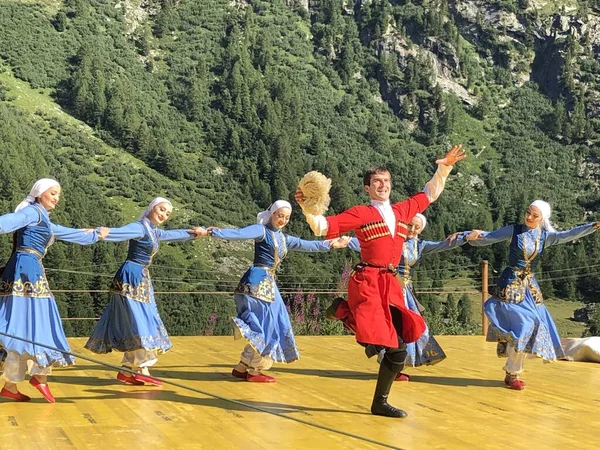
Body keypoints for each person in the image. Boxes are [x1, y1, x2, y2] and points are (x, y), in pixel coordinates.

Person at [295, 145, 466, 418]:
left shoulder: (403, 209)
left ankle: (379, 402)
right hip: (368, 281)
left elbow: (430, 193)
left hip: (391, 283)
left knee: (399, 350)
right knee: (390, 344)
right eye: (376, 182)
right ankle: (345, 313)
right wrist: (307, 206)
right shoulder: (361, 213)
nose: (382, 185)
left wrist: (444, 166)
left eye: (386, 181)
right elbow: (322, 228)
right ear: (367, 188)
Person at [198, 200, 347, 383]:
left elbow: (308, 245)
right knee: (269, 326)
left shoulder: (284, 238)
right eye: (279, 215)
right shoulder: (261, 231)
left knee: (272, 323)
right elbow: (239, 233)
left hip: (268, 284)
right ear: (272, 214)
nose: (282, 220)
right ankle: (254, 370)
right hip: (258, 281)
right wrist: (211, 232)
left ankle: (243, 366)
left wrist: (334, 244)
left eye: (286, 217)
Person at [466, 200, 600, 390]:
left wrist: (593, 225)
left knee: (535, 326)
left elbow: (569, 235)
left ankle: (512, 372)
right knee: (522, 327)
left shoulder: (545, 236)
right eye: (528, 212)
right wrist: (468, 236)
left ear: (542, 219)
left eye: (534, 215)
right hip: (510, 285)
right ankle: (513, 373)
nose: (529, 217)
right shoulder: (514, 230)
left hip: (530, 288)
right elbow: (489, 237)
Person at [0, 179, 108, 402]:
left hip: (28, 269)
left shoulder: (43, 218)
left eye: (58, 194)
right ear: (40, 193)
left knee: (23, 326)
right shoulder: (33, 213)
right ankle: (39, 378)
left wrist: (97, 234)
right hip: (26, 271)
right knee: (37, 322)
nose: (57, 198)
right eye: (53, 193)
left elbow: (67, 233)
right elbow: (8, 221)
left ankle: (13, 384)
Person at [84, 197, 203, 386]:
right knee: (141, 322)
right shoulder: (140, 227)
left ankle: (127, 370)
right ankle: (142, 368)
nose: (164, 214)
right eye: (161, 209)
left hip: (140, 278)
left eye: (167, 213)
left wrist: (194, 234)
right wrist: (100, 232)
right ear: (151, 208)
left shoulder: (154, 231)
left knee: (136, 322)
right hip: (131, 277)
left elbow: (172, 234)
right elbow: (120, 233)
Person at [336, 214, 468, 380]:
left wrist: (463, 236)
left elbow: (444, 245)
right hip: (385, 288)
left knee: (407, 328)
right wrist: (347, 241)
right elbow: (367, 244)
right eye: (410, 225)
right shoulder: (389, 239)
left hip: (404, 292)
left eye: (416, 228)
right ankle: (389, 365)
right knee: (387, 326)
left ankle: (393, 367)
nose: (412, 230)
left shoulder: (420, 245)